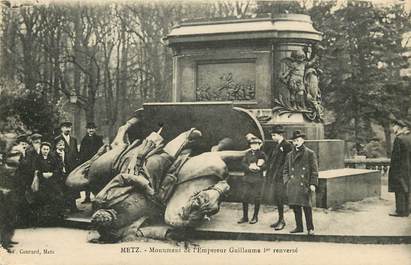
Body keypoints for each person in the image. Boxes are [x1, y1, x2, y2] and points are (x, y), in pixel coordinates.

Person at [283, 130, 318, 235]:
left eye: (298, 140)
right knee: (296, 207)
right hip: (293, 184)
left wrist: (313, 183)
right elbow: (285, 170)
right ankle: (299, 227)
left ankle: (310, 228)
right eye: (294, 141)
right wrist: (287, 181)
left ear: (303, 140)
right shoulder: (289, 155)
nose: (296, 142)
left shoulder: (310, 153)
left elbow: (314, 170)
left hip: (304, 184)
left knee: (307, 207)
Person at [266, 125, 292, 230]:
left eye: (274, 135)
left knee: (281, 198)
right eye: (272, 135)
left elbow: (288, 162)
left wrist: (282, 174)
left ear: (280, 135)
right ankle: (280, 219)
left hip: (282, 177)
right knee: (277, 198)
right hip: (275, 176)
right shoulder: (277, 145)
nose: (272, 137)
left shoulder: (287, 145)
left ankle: (282, 221)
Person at [238, 133, 267, 224]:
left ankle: (255, 216)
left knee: (256, 198)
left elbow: (266, 165)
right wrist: (249, 168)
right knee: (244, 197)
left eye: (255, 144)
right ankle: (245, 216)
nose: (253, 146)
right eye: (252, 144)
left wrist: (260, 168)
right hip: (247, 179)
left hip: (257, 179)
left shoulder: (262, 154)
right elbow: (243, 164)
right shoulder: (247, 154)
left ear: (259, 145)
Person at [33, 142, 64, 225]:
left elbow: (57, 169)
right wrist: (42, 174)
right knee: (42, 199)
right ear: (41, 149)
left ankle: (54, 218)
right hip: (42, 182)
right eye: (44, 149)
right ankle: (43, 220)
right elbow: (35, 170)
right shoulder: (37, 159)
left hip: (51, 181)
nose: (45, 151)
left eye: (47, 149)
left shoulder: (52, 158)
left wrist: (52, 174)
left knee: (57, 196)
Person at [54, 121, 81, 212]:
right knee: (64, 187)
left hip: (72, 167)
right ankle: (65, 207)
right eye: (66, 127)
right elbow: (55, 154)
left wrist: (77, 165)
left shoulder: (74, 139)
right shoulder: (57, 139)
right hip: (63, 167)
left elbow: (76, 153)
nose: (68, 129)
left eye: (69, 127)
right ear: (61, 128)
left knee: (73, 187)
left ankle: (73, 207)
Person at [388, 118, 411, 217]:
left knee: (400, 189)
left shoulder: (399, 138)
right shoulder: (409, 138)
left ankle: (401, 211)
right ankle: (407, 209)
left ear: (400, 127)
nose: (393, 128)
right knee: (407, 188)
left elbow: (396, 157)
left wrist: (394, 170)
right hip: (408, 167)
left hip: (400, 168)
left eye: (394, 126)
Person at [79, 122, 103, 203]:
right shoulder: (84, 140)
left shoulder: (99, 139)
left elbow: (102, 150)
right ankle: (87, 197)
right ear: (86, 130)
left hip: (97, 162)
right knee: (87, 180)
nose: (91, 130)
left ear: (95, 129)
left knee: (98, 179)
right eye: (89, 129)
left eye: (92, 128)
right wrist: (83, 162)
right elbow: (82, 152)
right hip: (87, 162)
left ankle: (98, 197)